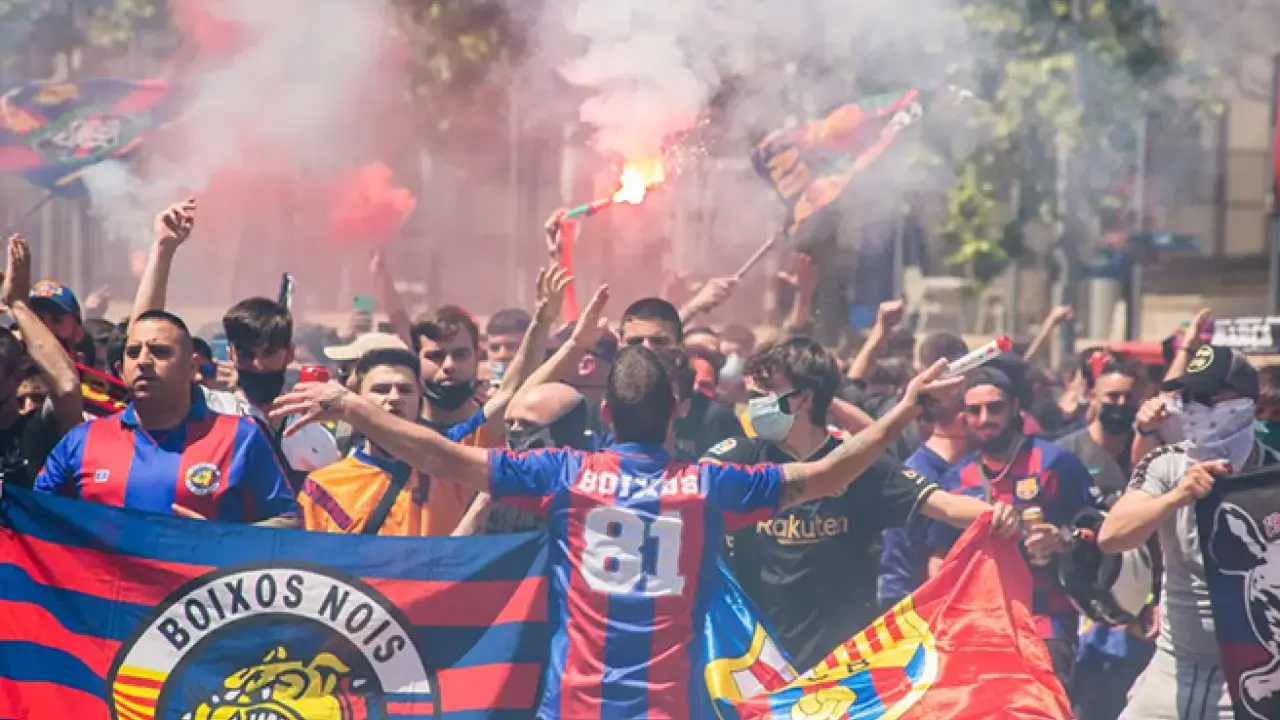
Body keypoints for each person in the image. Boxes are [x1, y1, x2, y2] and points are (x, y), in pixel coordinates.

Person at [271, 345, 998, 718]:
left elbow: (443, 455)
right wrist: (905, 410)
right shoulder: (709, 486)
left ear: (606, 416)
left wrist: (352, 406)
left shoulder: (565, 474)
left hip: (572, 708)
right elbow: (831, 473)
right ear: (676, 413)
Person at [710, 337, 1015, 670]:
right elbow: (688, 488)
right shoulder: (740, 458)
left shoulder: (858, 465)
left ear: (803, 399)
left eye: (764, 393)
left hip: (843, 667)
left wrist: (1000, 516)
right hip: (758, 662)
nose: (753, 403)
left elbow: (945, 506)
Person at [1099, 345, 1277, 720]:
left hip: (1253, 673)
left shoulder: (1273, 473)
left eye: (1208, 396)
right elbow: (1112, 536)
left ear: (1246, 402)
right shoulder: (1167, 463)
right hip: (1173, 667)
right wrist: (1175, 497)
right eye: (1188, 397)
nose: (1195, 407)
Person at [36, 310, 298, 526]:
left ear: (192, 368)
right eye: (133, 352)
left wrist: (220, 539)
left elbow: (289, 521)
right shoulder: (82, 440)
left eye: (160, 351)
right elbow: (34, 518)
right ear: (120, 370)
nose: (143, 361)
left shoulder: (240, 437)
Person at [926, 364, 1098, 691]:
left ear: (1015, 407)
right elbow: (939, 556)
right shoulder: (956, 479)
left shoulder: (1054, 463)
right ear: (963, 417)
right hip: (979, 629)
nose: (985, 418)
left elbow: (1100, 532)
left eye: (995, 408)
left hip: (1045, 623)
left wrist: (1062, 539)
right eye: (974, 411)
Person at [1054, 356, 1156, 720]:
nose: (1120, 405)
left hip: (1136, 604)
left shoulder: (1150, 451)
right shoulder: (1064, 455)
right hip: (1075, 600)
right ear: (1093, 396)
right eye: (1112, 397)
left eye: (1129, 397)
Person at [299, 347, 473, 536]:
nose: (395, 398)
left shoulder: (451, 475)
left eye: (405, 390)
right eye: (380, 390)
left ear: (420, 400)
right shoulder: (323, 488)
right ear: (358, 401)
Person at [877, 331, 970, 610]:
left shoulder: (982, 467)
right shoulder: (915, 474)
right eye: (977, 409)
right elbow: (896, 576)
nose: (988, 419)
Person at [456, 382, 595, 535]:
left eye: (527, 424)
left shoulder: (592, 488)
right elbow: (459, 546)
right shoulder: (496, 491)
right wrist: (487, 497)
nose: (515, 431)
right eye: (510, 424)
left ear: (565, 430)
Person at [0, 235, 84, 487]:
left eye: (56, 320)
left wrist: (18, 304)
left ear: (14, 377)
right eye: (36, 320)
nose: (44, 330)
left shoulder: (37, 430)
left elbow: (66, 386)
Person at [619, 297, 742, 459]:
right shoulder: (602, 411)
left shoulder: (715, 418)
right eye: (635, 342)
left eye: (659, 342)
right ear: (619, 348)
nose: (646, 349)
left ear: (680, 348)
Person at [485, 308, 532, 386]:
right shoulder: (477, 389)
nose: (502, 355)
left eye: (511, 346)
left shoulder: (547, 388)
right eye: (495, 348)